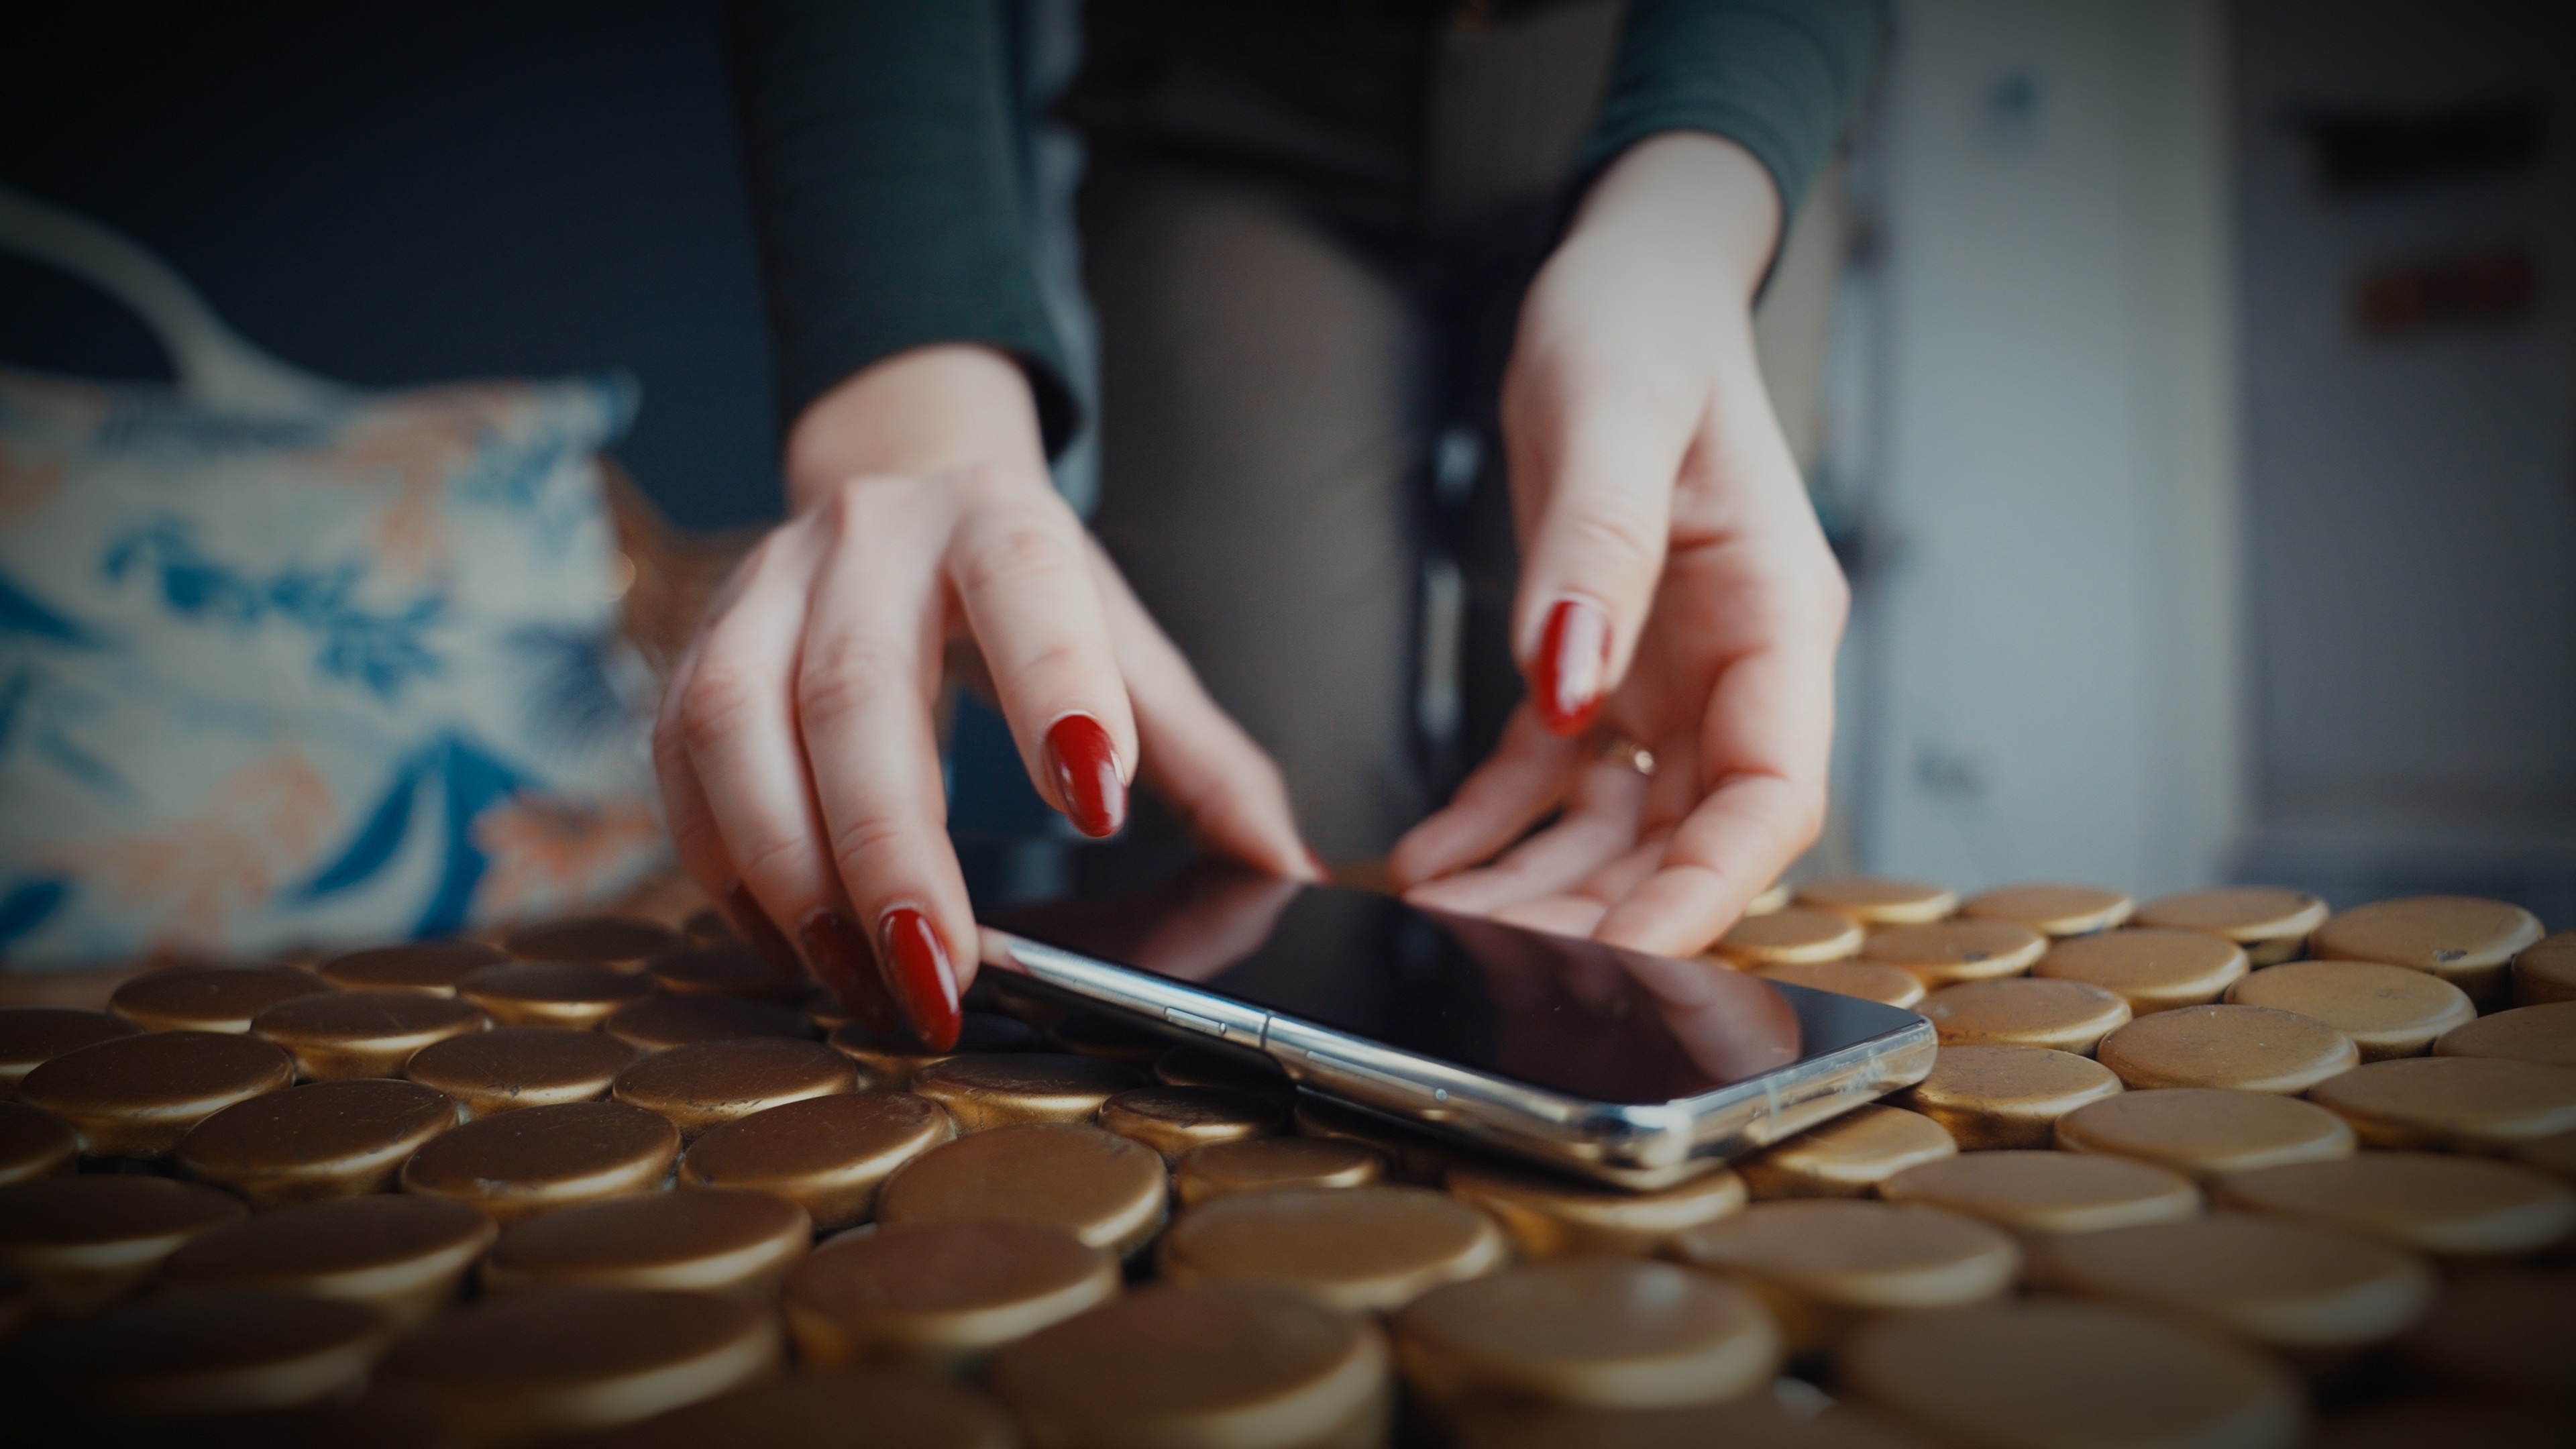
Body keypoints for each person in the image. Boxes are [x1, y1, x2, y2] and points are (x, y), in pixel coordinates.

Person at [657, 0, 1883, 1048]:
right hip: (1226, 100)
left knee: (1678, 784)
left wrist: (1685, 234)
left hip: (1681, 99)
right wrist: (908, 422)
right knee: (1245, 844)